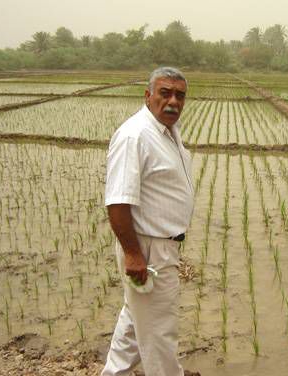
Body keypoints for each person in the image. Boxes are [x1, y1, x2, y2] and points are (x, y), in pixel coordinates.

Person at [102, 67, 198, 376]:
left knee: (134, 323)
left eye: (179, 95)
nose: (173, 101)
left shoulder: (167, 131)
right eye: (165, 93)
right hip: (148, 249)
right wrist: (132, 254)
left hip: (160, 248)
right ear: (148, 95)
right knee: (159, 334)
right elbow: (118, 200)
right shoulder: (135, 135)